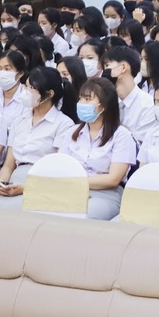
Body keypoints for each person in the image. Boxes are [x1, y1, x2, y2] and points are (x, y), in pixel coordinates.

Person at [63, 75, 137, 219]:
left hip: (106, 195)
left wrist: (76, 180)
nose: (81, 103)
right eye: (81, 98)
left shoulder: (122, 135)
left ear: (104, 105)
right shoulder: (72, 132)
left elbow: (113, 179)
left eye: (88, 99)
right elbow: (61, 166)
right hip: (71, 190)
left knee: (81, 216)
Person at [0, 67, 71, 198]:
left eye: (31, 88)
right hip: (14, 180)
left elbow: (59, 168)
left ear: (49, 94)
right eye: (26, 87)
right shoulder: (19, 121)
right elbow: (8, 165)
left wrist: (26, 188)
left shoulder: (63, 124)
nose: (26, 92)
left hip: (43, 183)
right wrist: (1, 184)